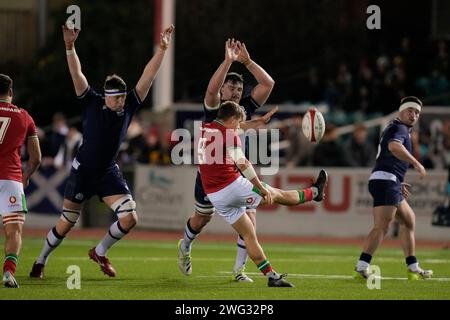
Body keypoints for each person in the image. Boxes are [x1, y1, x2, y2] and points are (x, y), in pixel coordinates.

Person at [29, 23, 174, 278]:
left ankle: (100, 251)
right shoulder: (92, 101)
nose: (120, 102)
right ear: (107, 96)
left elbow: (148, 76)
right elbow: (77, 74)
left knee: (130, 218)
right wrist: (69, 46)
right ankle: (40, 261)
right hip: (84, 170)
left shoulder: (129, 104)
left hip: (108, 171)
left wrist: (162, 50)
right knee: (66, 223)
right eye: (116, 98)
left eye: (122, 97)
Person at [178, 39, 278, 282]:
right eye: (230, 87)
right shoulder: (214, 109)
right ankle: (185, 247)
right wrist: (228, 62)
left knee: (250, 217)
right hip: (209, 176)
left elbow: (268, 83)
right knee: (202, 218)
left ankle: (239, 270)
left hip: (235, 173)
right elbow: (211, 91)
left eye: (238, 89)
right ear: (223, 90)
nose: (235, 92)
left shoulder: (243, 108)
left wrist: (247, 62)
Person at [197, 101, 328, 287]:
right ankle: (314, 192)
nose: (238, 127)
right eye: (237, 122)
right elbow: (243, 163)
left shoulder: (205, 128)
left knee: (249, 235)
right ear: (232, 119)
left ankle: (272, 276)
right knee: (277, 194)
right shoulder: (229, 135)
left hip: (216, 196)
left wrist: (257, 122)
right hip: (232, 185)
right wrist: (259, 187)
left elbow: (236, 127)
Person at [353, 96, 433, 280]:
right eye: (410, 110)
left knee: (408, 220)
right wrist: (416, 163)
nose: (413, 115)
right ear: (401, 111)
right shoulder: (399, 127)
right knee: (382, 226)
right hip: (385, 180)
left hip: (388, 180)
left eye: (417, 112)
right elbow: (394, 146)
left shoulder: (398, 127)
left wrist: (397, 180)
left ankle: (413, 267)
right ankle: (362, 266)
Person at [0, 74, 42, 287]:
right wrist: (25, 176)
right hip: (11, 180)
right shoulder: (24, 116)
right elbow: (36, 158)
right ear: (11, 92)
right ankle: (8, 273)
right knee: (14, 230)